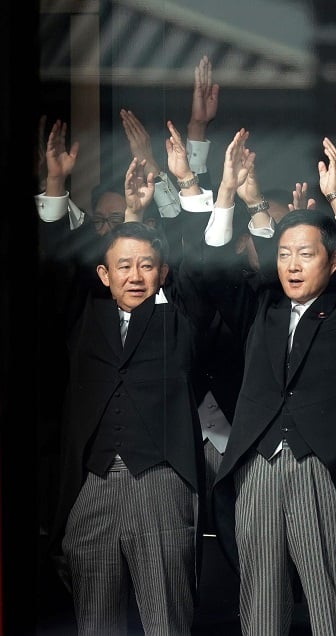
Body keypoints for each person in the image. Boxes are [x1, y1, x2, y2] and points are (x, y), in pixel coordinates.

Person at [208, 129, 336, 635]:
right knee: (260, 613)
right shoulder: (260, 309)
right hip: (257, 469)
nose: (291, 264)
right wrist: (225, 195)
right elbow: (210, 273)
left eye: (306, 254)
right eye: (284, 254)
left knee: (333, 610)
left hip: (323, 470)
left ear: (332, 261)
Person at [38, 142, 206, 634]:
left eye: (146, 266)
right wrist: (54, 188)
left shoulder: (178, 320)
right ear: (103, 275)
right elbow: (52, 270)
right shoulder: (83, 317)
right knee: (96, 624)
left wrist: (173, 191)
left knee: (166, 622)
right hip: (92, 487)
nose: (135, 276)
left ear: (162, 273)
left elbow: (200, 267)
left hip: (160, 483)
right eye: (124, 267)